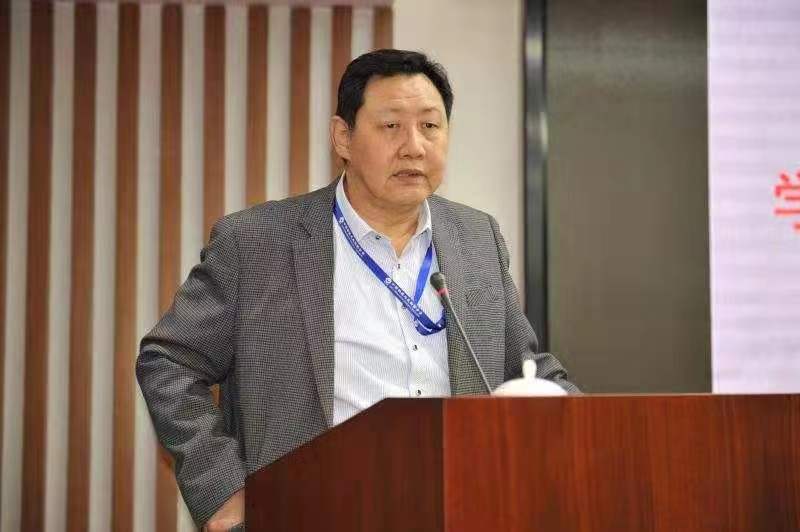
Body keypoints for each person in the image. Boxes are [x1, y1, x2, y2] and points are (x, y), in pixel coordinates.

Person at [137, 48, 578, 531]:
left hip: (461, 510)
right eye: (391, 126)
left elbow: (523, 368)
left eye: (430, 126)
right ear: (342, 137)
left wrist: (584, 434)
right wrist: (222, 490)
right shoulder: (257, 243)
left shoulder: (477, 239)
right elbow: (169, 362)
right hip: (314, 513)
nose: (414, 146)